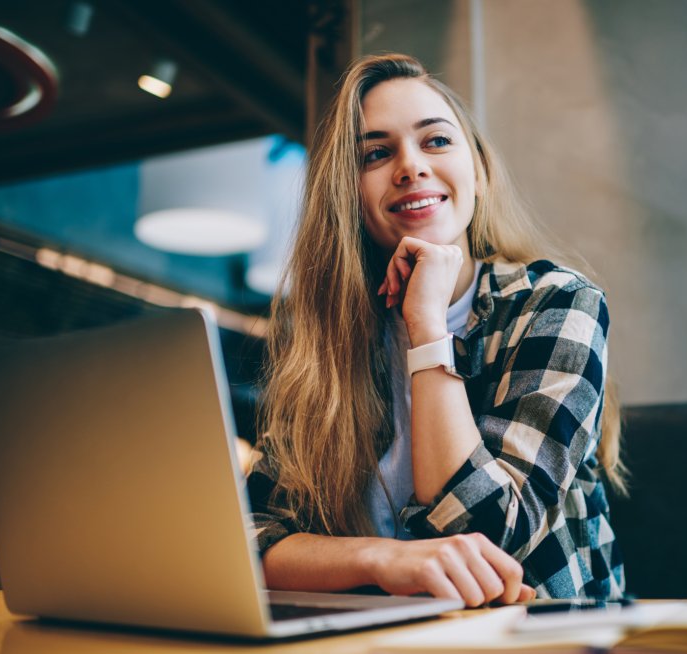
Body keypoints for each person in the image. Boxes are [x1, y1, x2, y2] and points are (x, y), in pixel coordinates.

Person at [248, 53, 625, 606]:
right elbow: (252, 538)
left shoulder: (558, 302)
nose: (410, 166)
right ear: (347, 197)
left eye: (436, 141)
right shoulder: (323, 343)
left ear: (479, 168)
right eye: (376, 153)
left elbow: (493, 536)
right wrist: (381, 558)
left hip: (541, 639)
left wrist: (426, 329)